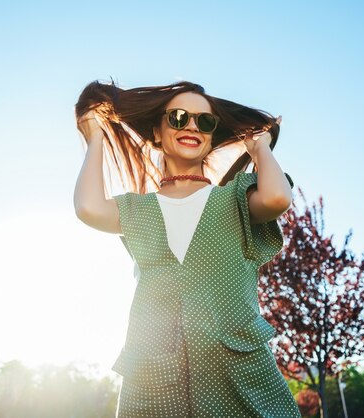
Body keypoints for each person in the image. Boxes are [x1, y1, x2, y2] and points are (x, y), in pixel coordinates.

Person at [74, 79, 301, 418]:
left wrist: (260, 148)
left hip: (240, 376)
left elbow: (277, 198)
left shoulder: (235, 198)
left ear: (211, 137)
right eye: (179, 117)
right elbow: (88, 207)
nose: (192, 126)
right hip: (153, 379)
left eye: (205, 121)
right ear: (156, 131)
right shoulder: (136, 209)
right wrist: (95, 137)